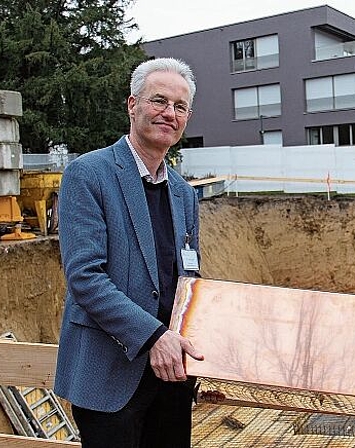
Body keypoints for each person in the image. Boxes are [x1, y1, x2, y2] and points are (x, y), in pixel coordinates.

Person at [54, 58, 204, 448]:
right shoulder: (88, 174)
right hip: (110, 376)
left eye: (180, 106)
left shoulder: (184, 194)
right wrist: (154, 336)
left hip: (171, 377)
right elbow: (86, 277)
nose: (169, 113)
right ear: (132, 105)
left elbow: (190, 281)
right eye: (159, 101)